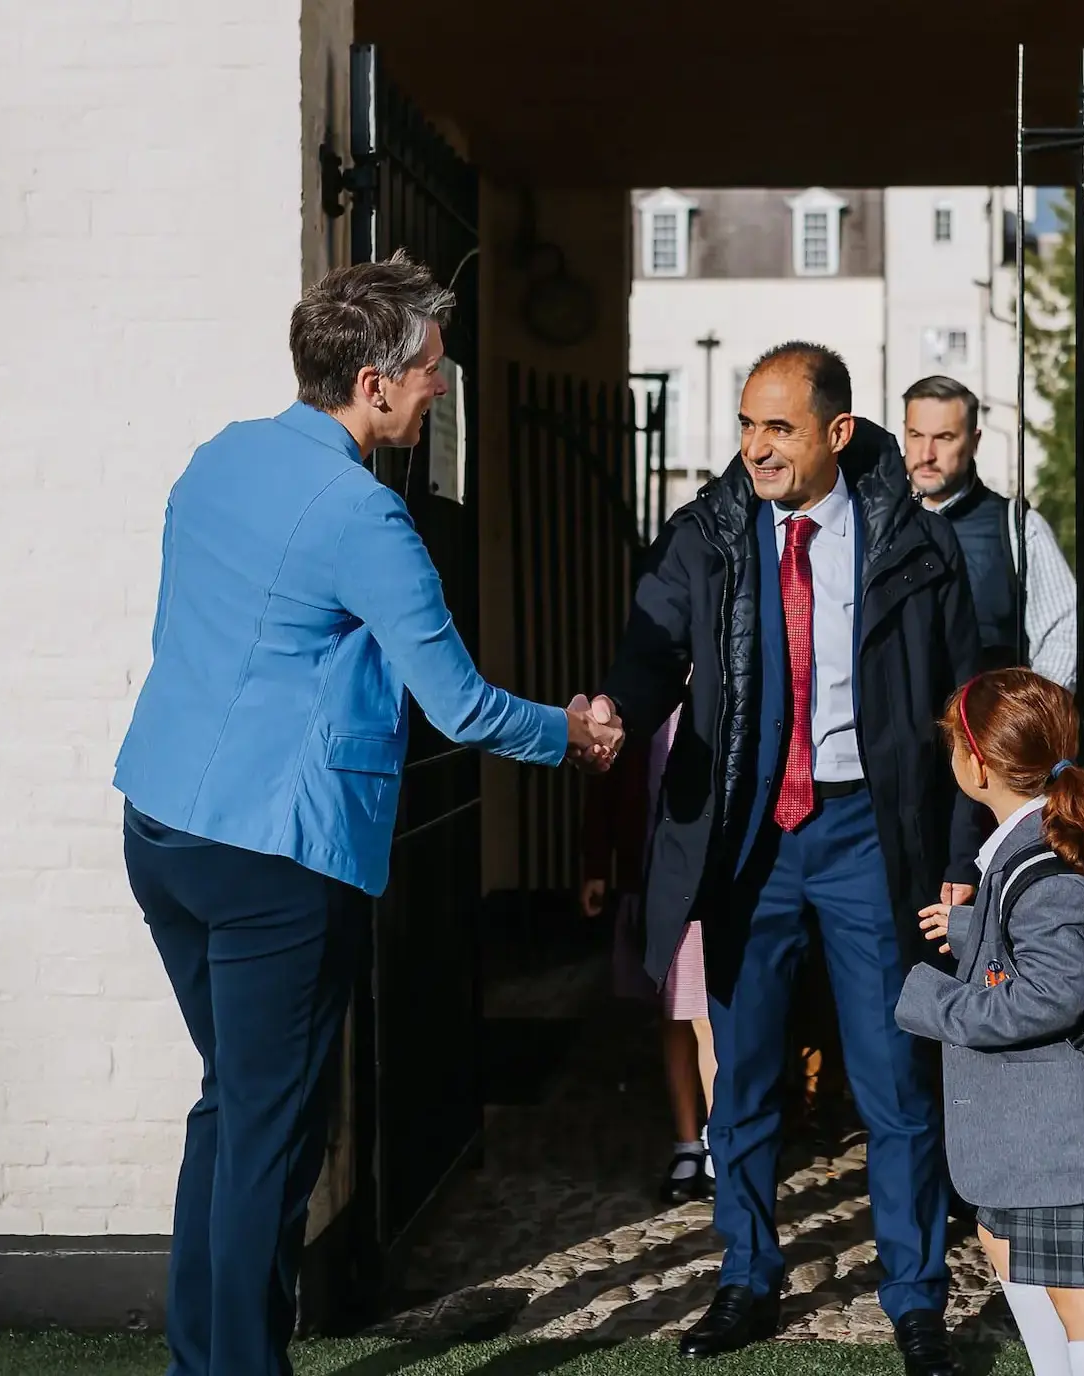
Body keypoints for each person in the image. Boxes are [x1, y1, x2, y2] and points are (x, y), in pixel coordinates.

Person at [112, 252, 623, 1376]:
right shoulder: (364, 518)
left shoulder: (218, 459)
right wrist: (577, 734)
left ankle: (206, 1360)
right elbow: (464, 704)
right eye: (433, 369)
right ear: (376, 383)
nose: (442, 386)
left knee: (236, 1108)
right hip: (271, 856)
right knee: (273, 1131)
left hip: (163, 823)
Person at [595, 342, 988, 1376]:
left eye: (778, 427)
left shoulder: (912, 541)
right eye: (745, 424)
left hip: (871, 834)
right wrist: (615, 713)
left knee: (895, 1075)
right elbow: (651, 650)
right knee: (748, 1074)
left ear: (835, 433)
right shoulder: (709, 533)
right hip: (748, 841)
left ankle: (914, 1299)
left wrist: (957, 853)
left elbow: (964, 707)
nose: (755, 447)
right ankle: (747, 1276)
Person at [895, 669, 1084, 1376]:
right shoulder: (1041, 839)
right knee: (1016, 1262)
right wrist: (976, 930)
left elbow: (1052, 993)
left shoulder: (1040, 856)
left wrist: (934, 1003)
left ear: (977, 763)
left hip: (1064, 1135)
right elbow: (1063, 941)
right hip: (1038, 1137)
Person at [579, 695, 718, 1203]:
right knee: (673, 1016)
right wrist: (596, 864)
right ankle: (687, 1142)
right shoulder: (633, 700)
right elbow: (604, 779)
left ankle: (717, 1142)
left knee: (707, 1017)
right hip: (647, 876)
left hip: (706, 883)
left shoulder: (727, 684)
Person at [899, 375, 1079, 691]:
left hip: (981, 734)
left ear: (974, 442)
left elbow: (1064, 633)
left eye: (944, 437)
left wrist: (1026, 721)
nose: (926, 453)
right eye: (915, 435)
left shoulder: (1018, 527)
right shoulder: (868, 517)